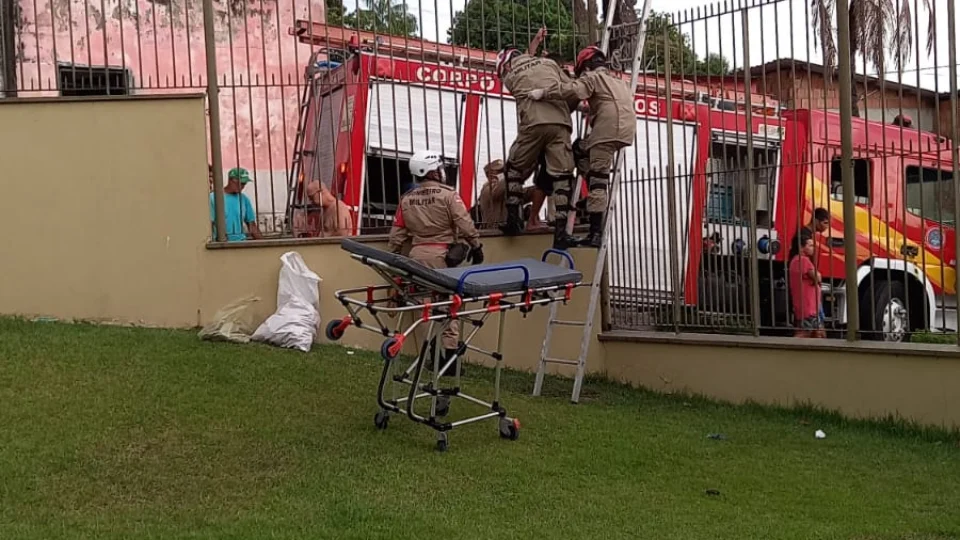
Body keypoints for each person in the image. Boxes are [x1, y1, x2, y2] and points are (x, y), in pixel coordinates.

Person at [528, 45, 636, 247]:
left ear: (586, 66)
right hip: (623, 130)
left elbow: (572, 90)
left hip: (605, 132)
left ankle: (595, 233)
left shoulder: (592, 78)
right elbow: (602, 103)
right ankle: (585, 194)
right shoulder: (618, 81)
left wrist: (544, 93)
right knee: (579, 150)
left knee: (598, 181)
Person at [388, 150, 484, 372]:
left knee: (424, 306)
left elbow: (397, 236)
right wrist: (476, 246)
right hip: (443, 259)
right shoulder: (448, 195)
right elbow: (465, 224)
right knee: (450, 305)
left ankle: (431, 353)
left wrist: (393, 261)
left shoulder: (406, 199)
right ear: (431, 171)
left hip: (416, 258)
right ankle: (449, 360)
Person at [495, 46, 580, 249]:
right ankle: (561, 233)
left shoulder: (511, 76)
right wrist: (566, 110)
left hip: (532, 125)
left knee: (514, 167)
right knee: (562, 176)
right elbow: (574, 91)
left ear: (506, 64)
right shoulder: (550, 63)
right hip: (560, 124)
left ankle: (513, 221)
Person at [209, 167, 262, 241]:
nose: (243, 186)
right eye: (241, 183)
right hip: (221, 244)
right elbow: (209, 224)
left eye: (245, 184)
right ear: (231, 181)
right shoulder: (213, 198)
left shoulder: (244, 199)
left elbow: (252, 225)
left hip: (241, 242)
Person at [789, 231, 825, 338]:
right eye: (810, 245)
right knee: (805, 333)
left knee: (818, 333)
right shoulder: (803, 260)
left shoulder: (795, 260)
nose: (813, 248)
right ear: (801, 247)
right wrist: (818, 277)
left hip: (807, 306)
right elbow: (817, 277)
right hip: (809, 307)